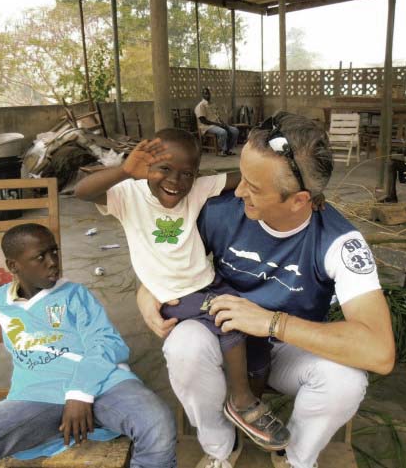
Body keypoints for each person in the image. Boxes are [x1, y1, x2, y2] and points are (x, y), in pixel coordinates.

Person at [137, 113, 395, 468]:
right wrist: (147, 288)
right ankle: (221, 448)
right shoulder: (219, 212)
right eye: (241, 177)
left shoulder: (339, 241)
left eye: (254, 187)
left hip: (291, 349)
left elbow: (379, 351)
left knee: (345, 380)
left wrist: (272, 322)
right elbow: (165, 253)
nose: (239, 191)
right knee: (184, 345)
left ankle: (295, 457)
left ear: (299, 200)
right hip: (225, 342)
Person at [74, 128, 290, 451]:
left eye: (186, 173)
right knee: (228, 317)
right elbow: (82, 191)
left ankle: (247, 403)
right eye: (164, 169)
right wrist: (123, 171)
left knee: (250, 332)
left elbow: (235, 178)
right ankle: (241, 401)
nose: (175, 181)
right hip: (172, 297)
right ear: (146, 167)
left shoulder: (196, 189)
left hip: (207, 285)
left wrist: (282, 174)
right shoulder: (128, 195)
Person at [0, 224, 176, 468]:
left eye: (54, 252)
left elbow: (107, 342)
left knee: (157, 423)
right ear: (13, 266)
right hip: (36, 395)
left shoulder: (74, 294)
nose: (53, 262)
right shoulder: (0, 300)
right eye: (40, 257)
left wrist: (79, 394)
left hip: (103, 384)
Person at [195, 87, 240, 156]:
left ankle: (228, 149)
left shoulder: (212, 104)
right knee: (223, 132)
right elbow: (203, 121)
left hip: (217, 124)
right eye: (205, 93)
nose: (207, 95)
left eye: (208, 93)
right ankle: (223, 150)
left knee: (235, 130)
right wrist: (218, 124)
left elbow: (217, 117)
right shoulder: (200, 106)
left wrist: (223, 123)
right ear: (202, 95)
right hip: (207, 127)